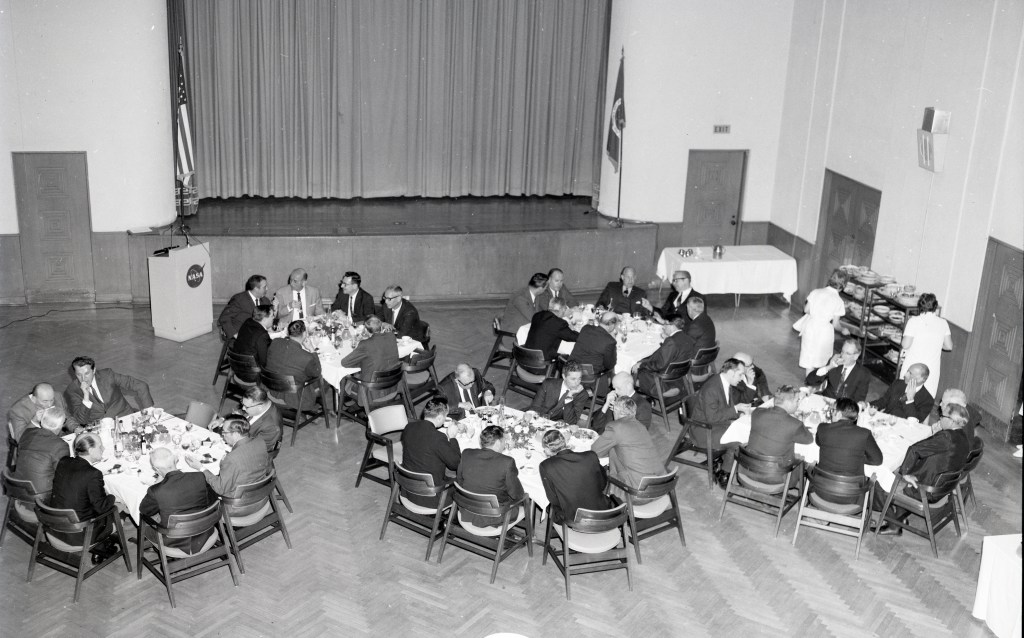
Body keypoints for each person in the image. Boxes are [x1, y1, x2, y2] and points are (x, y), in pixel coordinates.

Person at [875, 403, 971, 534]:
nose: (939, 419)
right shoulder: (963, 438)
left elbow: (914, 449)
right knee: (901, 467)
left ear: (952, 421)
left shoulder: (946, 437)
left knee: (878, 481)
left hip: (925, 490)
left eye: (942, 416)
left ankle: (893, 525)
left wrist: (904, 473)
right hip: (942, 488)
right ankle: (900, 517)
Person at [688, 358, 753, 487]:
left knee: (744, 432)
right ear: (730, 373)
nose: (742, 378)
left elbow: (723, 410)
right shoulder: (712, 388)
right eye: (740, 374)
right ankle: (725, 474)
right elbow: (712, 418)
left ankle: (722, 464)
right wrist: (736, 409)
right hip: (703, 430)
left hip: (715, 424)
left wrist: (738, 412)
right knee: (738, 441)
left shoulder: (724, 382)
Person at [140, 447, 218, 554]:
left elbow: (145, 511)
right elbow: (213, 499)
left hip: (174, 540)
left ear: (156, 469)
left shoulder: (156, 491)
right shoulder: (199, 476)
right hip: (204, 531)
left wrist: (157, 485)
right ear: (175, 461)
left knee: (146, 523)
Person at [49, 433, 116, 555]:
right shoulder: (92, 474)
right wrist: (113, 496)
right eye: (100, 446)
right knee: (120, 508)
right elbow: (101, 508)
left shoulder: (64, 461)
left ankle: (101, 548)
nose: (103, 449)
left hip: (55, 527)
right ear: (90, 450)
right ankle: (101, 546)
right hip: (80, 534)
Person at [591, 397, 666, 501]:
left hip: (635, 493)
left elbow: (595, 451)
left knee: (595, 477)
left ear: (616, 410)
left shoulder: (616, 427)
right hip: (659, 489)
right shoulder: (641, 427)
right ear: (633, 412)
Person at [539, 430, 613, 525]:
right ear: (565, 442)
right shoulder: (590, 456)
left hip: (573, 520)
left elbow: (553, 500)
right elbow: (602, 484)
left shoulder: (546, 466)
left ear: (548, 450)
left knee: (551, 508)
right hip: (602, 513)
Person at [456, 425, 525, 526]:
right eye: (503, 441)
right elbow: (517, 495)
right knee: (527, 500)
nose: (504, 444)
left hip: (467, 510)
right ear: (497, 443)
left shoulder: (467, 453)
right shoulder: (507, 462)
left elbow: (460, 481)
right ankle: (530, 535)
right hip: (495, 516)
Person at [399, 397, 462, 507]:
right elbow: (455, 464)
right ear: (439, 418)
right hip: (432, 497)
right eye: (445, 417)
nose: (445, 419)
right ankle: (452, 519)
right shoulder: (438, 437)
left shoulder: (409, 427)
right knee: (465, 482)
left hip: (407, 490)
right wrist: (452, 438)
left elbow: (423, 446)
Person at [186, 416, 268, 496]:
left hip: (238, 500)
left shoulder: (231, 459)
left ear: (236, 434)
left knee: (195, 486)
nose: (222, 434)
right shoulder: (260, 441)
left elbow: (220, 488)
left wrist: (201, 468)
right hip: (259, 489)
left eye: (225, 432)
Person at [63, 356, 154, 425]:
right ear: (75, 374)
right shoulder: (72, 390)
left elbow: (141, 386)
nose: (83, 379)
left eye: (87, 373)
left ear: (94, 370)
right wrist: (86, 397)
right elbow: (81, 420)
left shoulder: (108, 375)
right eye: (79, 375)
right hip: (99, 427)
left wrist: (149, 413)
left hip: (124, 417)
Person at [899, 293, 953, 396]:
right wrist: (934, 342)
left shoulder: (913, 321)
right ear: (935, 307)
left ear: (920, 306)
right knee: (926, 399)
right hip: (931, 369)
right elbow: (949, 346)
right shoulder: (943, 323)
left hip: (913, 367)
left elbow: (905, 345)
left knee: (905, 395)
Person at [815, 398, 883, 479]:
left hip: (821, 485)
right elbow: (877, 460)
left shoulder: (823, 428)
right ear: (855, 418)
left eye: (833, 410)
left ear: (839, 414)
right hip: (852, 490)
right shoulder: (864, 433)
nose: (831, 413)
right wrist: (856, 456)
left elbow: (819, 442)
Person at [797, 269, 849, 372]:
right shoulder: (838, 301)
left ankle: (809, 382)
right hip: (824, 331)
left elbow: (806, 310)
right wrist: (843, 329)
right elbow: (835, 324)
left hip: (810, 326)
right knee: (821, 358)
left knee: (809, 357)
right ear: (843, 286)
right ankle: (817, 382)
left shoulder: (816, 292)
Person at [265, 321, 323, 411]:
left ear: (289, 333)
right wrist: (312, 350)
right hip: (293, 398)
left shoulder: (275, 342)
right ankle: (313, 408)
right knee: (322, 379)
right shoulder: (306, 357)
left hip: (271, 389)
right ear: (304, 334)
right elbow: (317, 372)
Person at [745, 385, 812, 461]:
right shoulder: (795, 424)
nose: (798, 404)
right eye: (797, 400)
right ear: (787, 402)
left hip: (746, 466)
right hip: (774, 471)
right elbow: (809, 440)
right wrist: (801, 422)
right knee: (801, 460)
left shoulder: (757, 412)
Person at [633, 317, 697, 397]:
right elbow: (675, 351)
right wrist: (666, 340)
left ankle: (637, 397)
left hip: (663, 381)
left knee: (633, 368)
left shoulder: (671, 341)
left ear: (672, 326)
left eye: (665, 324)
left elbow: (659, 365)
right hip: (678, 377)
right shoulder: (687, 338)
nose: (663, 327)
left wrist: (640, 365)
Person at [13, 407, 70, 492]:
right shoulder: (61, 446)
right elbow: (63, 475)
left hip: (17, 485)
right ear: (60, 426)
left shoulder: (27, 432)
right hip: (41, 494)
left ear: (41, 421)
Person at [804, 338, 871, 403]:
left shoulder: (863, 374)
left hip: (844, 407)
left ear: (856, 356)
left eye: (847, 353)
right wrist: (829, 367)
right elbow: (809, 381)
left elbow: (858, 401)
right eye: (842, 351)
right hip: (825, 401)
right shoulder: (834, 363)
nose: (843, 356)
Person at [526, 361, 590, 425]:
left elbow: (571, 421)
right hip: (539, 418)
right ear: (564, 377)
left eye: (579, 379)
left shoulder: (582, 395)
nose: (577, 382)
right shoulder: (548, 384)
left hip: (556, 424)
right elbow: (535, 407)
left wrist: (569, 396)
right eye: (573, 379)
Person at [866, 363, 934, 422]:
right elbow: (884, 401)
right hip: (884, 420)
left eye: (910, 373)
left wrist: (910, 401)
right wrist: (867, 405)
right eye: (907, 371)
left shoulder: (927, 400)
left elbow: (915, 422)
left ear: (921, 379)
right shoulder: (898, 383)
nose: (905, 375)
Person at [8, 382, 75, 441]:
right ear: (34, 399)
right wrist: (34, 422)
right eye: (45, 401)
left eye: (52, 400)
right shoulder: (18, 410)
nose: (49, 405)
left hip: (59, 439)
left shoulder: (58, 397)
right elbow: (20, 439)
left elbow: (67, 417)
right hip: (35, 445)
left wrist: (76, 428)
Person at [340, 315, 401, 379]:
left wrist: (364, 362)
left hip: (371, 386)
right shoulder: (391, 336)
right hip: (392, 383)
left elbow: (345, 363)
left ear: (365, 330)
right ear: (381, 326)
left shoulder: (365, 344)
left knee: (346, 380)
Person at [219, 274, 271, 339]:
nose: (267, 289)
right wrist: (235, 335)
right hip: (241, 339)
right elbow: (224, 318)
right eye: (264, 287)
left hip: (259, 337)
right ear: (256, 289)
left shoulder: (266, 301)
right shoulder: (239, 299)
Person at [569, 312, 618, 377]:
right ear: (611, 324)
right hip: (588, 376)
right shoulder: (610, 341)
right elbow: (610, 365)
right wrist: (613, 338)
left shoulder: (586, 328)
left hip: (570, 370)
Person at [239, 385, 283, 452]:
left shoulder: (272, 427)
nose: (243, 408)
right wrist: (222, 420)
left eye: (246, 407)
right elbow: (241, 413)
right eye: (242, 403)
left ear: (260, 407)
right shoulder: (259, 403)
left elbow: (258, 449)